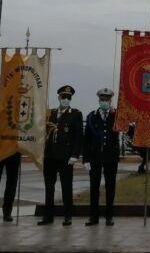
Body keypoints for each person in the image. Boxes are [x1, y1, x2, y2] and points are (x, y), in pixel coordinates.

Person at [39, 85, 83, 226]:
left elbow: (79, 137)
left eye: (68, 97)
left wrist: (75, 155)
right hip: (49, 156)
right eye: (63, 97)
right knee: (49, 187)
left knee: (66, 187)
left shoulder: (75, 114)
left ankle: (68, 215)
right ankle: (48, 216)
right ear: (58, 97)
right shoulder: (50, 113)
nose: (66, 99)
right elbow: (41, 132)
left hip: (66, 157)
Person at [84, 88, 121, 226]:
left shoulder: (117, 116)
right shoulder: (91, 116)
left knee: (110, 187)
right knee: (94, 187)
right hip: (95, 158)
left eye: (107, 99)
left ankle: (109, 216)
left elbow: (128, 129)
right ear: (99, 100)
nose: (104, 101)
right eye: (102, 99)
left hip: (111, 157)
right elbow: (87, 140)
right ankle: (93, 217)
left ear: (110, 100)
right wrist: (86, 159)